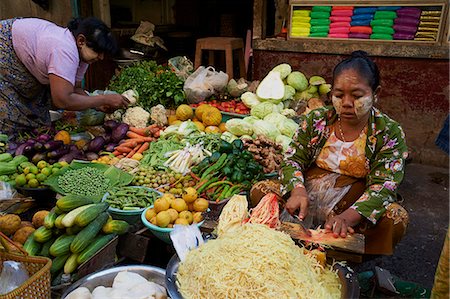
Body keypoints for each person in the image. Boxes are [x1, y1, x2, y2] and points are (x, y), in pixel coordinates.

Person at [281, 50, 409, 255]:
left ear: (376, 93)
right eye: (339, 95)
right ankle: (292, 245)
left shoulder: (388, 132)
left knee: (395, 219)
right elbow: (293, 158)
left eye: (357, 96)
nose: (347, 103)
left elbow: (384, 185)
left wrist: (348, 217)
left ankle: (343, 257)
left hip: (354, 198)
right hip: (311, 192)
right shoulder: (316, 121)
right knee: (260, 190)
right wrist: (297, 190)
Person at [0, 17, 129, 134]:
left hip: (19, 45)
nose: (100, 57)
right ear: (81, 41)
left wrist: (96, 105)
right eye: (98, 51)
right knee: (13, 115)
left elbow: (74, 88)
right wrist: (104, 99)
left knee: (35, 117)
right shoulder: (64, 49)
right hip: (5, 47)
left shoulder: (82, 55)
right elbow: (62, 100)